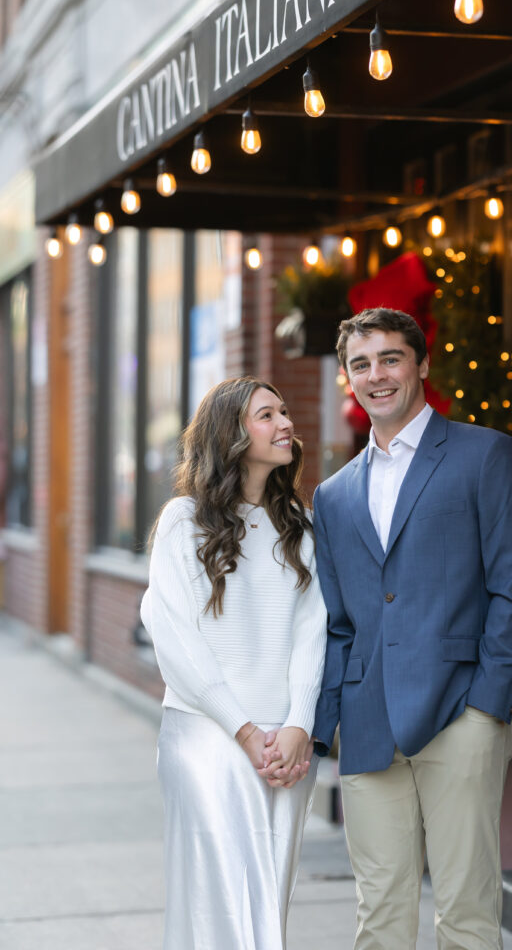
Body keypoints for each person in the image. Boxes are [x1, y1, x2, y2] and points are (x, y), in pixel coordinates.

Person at [310, 308, 512, 950]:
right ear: (347, 378)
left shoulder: (486, 455)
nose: (376, 375)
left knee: (467, 913)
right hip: (367, 724)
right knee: (379, 915)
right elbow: (337, 625)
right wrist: (321, 729)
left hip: (460, 713)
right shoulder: (331, 496)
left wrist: (488, 706)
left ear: (419, 364)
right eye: (361, 364)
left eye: (390, 358)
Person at [140, 376, 327, 950]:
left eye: (284, 411)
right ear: (231, 435)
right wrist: (244, 730)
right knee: (216, 905)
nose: (285, 423)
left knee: (269, 903)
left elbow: (311, 631)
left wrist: (298, 724)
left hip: (286, 746)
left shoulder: (299, 526)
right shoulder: (183, 520)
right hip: (208, 736)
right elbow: (175, 638)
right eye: (266, 415)